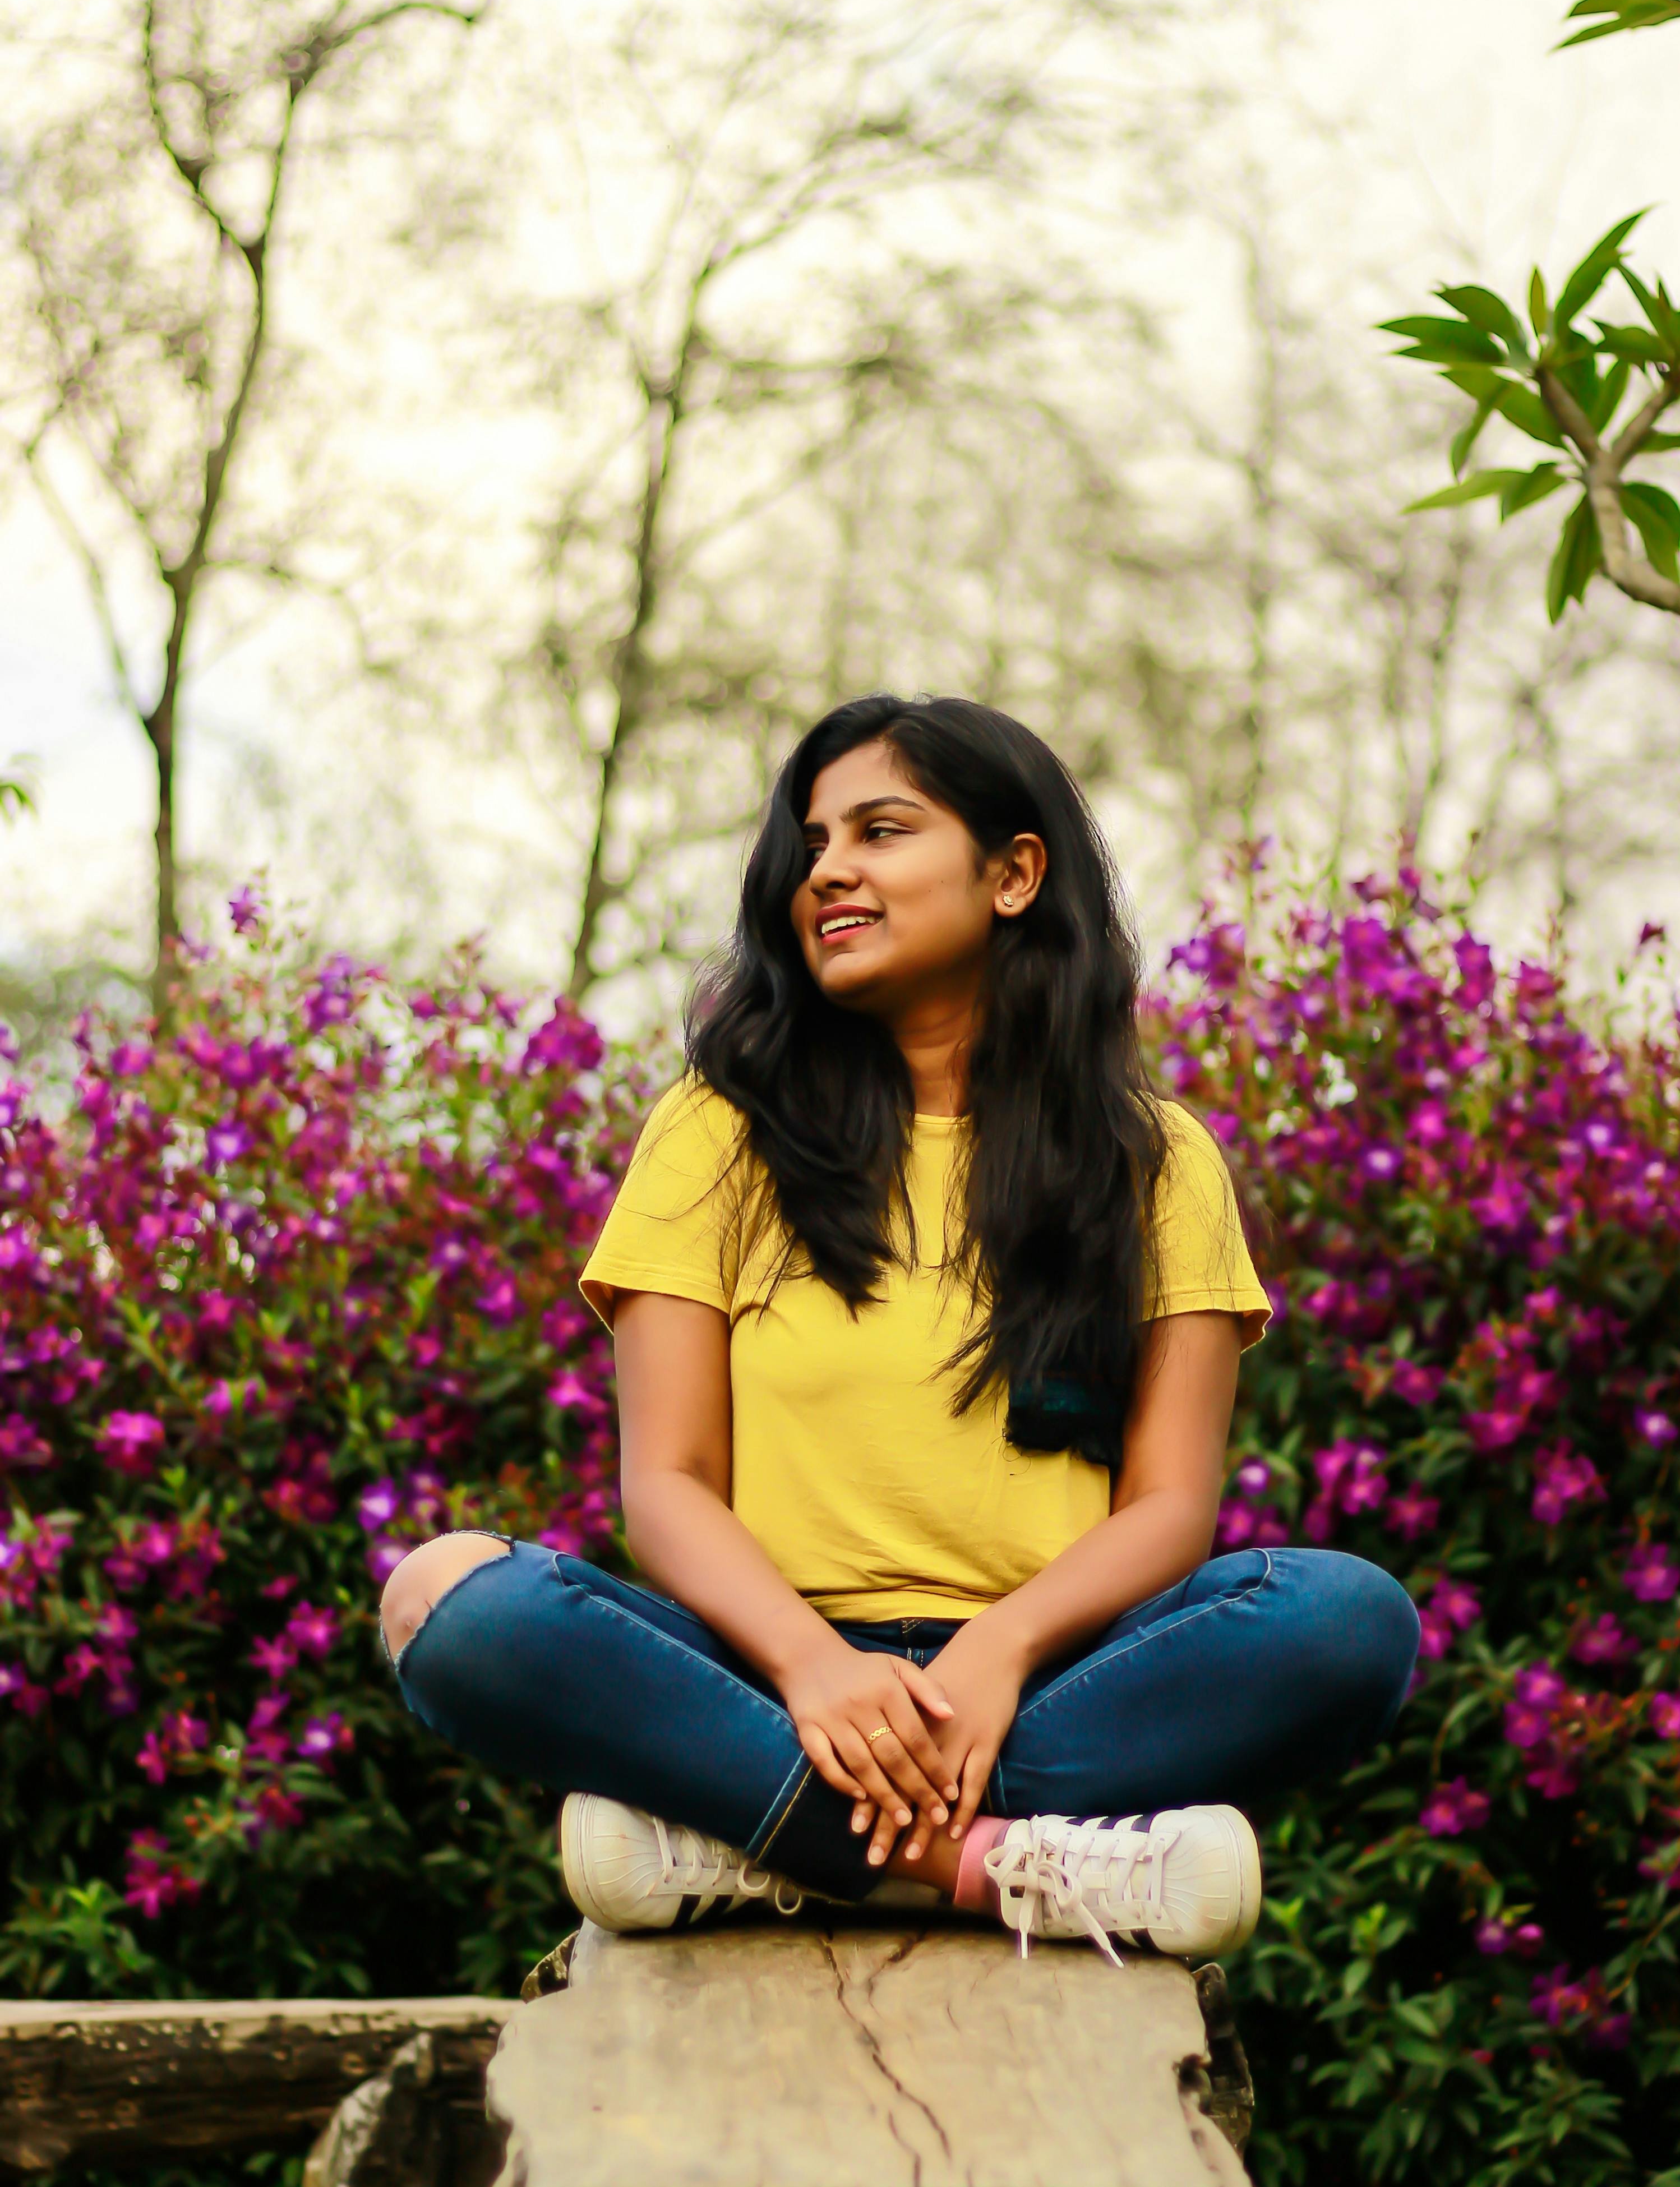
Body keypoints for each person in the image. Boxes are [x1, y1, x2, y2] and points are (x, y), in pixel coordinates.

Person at [380, 695, 1418, 1962]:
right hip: (766, 1673)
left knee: (1348, 1620)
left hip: (1046, 1682)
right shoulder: (716, 1134)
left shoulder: (1158, 1162)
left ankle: (750, 1832)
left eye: (881, 831)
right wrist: (815, 1672)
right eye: (814, 844)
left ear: (1015, 874)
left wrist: (998, 1651)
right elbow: (668, 1486)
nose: (830, 872)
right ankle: (990, 1864)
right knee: (446, 1602)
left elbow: (1167, 1510)